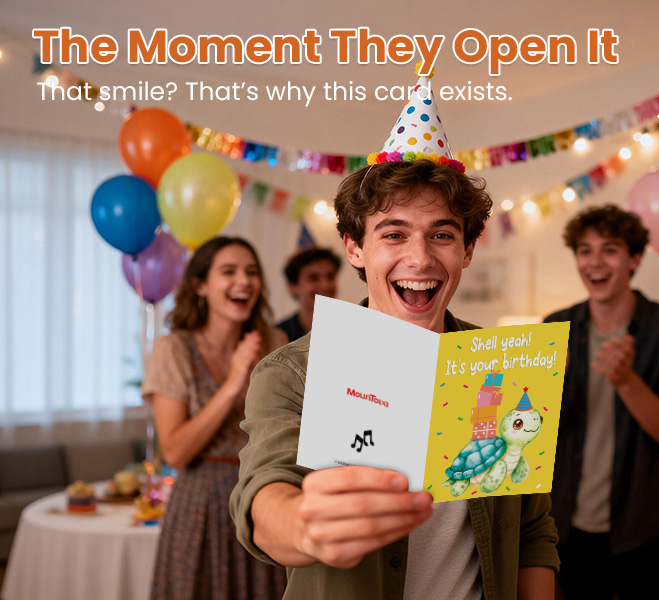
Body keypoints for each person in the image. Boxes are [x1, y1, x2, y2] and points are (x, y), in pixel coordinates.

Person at [229, 69, 559, 600]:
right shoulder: (294, 372)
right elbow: (264, 498)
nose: (420, 258)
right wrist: (305, 524)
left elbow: (531, 531)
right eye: (394, 234)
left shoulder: (502, 367)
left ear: (468, 250)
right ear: (355, 249)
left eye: (443, 235)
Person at [543, 205, 659, 600]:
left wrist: (627, 381)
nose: (594, 262)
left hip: (642, 530)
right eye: (584, 250)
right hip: (565, 529)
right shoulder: (555, 327)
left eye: (609, 249)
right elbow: (535, 431)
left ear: (634, 258)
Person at [141, 236, 289, 600]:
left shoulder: (276, 342)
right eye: (229, 271)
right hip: (200, 506)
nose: (244, 281)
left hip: (265, 495)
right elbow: (175, 452)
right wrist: (234, 382)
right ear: (200, 285)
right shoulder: (173, 349)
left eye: (252, 272)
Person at [276, 247, 342, 342]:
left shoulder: (353, 328)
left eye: (330, 276)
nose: (325, 286)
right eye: (313, 278)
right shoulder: (278, 335)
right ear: (293, 286)